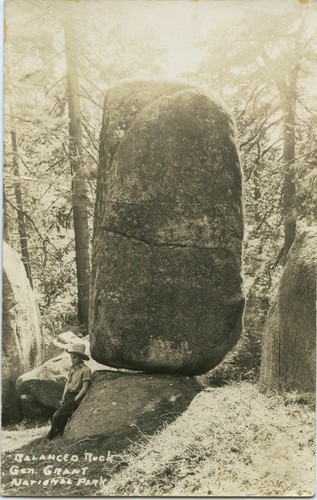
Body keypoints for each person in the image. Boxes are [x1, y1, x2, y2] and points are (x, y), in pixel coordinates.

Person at [46, 343, 91, 440]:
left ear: (80, 358)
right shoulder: (72, 368)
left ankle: (51, 434)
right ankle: (60, 433)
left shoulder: (85, 370)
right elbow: (68, 383)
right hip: (69, 395)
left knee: (56, 415)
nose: (72, 359)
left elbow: (84, 388)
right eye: (71, 357)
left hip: (76, 395)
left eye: (74, 357)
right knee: (64, 416)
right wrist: (63, 397)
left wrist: (76, 399)